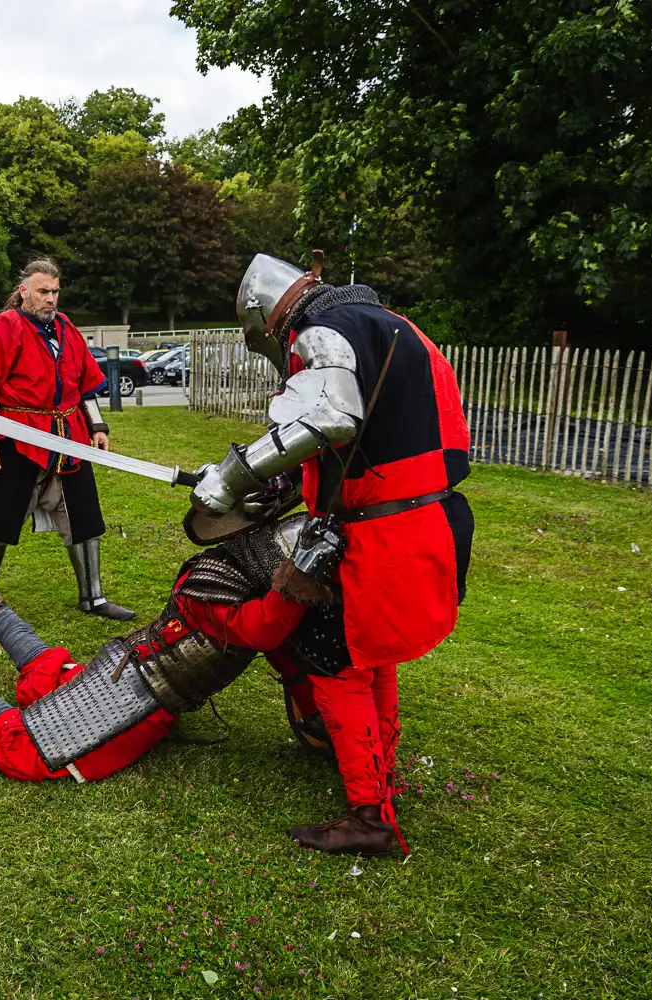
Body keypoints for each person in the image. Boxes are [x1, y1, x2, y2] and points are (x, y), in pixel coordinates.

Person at [188, 252, 474, 856]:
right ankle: (378, 778)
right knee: (374, 655)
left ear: (267, 314)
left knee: (334, 661)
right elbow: (371, 438)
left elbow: (332, 417)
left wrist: (231, 480)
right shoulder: (397, 327)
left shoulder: (323, 329)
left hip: (383, 533)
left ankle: (368, 815)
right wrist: (286, 487)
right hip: (430, 518)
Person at [0, 512, 318, 783]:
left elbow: (283, 652)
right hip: (140, 694)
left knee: (55, 684)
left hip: (132, 672)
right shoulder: (221, 596)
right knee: (31, 751)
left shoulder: (230, 575)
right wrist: (296, 588)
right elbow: (264, 631)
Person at [0, 258, 132, 621]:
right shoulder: (2, 327)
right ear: (24, 292)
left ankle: (93, 597)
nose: (51, 299)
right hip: (16, 437)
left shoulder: (66, 328)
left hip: (69, 439)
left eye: (55, 292)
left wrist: (97, 427)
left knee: (84, 517)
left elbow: (86, 386)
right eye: (43, 292)